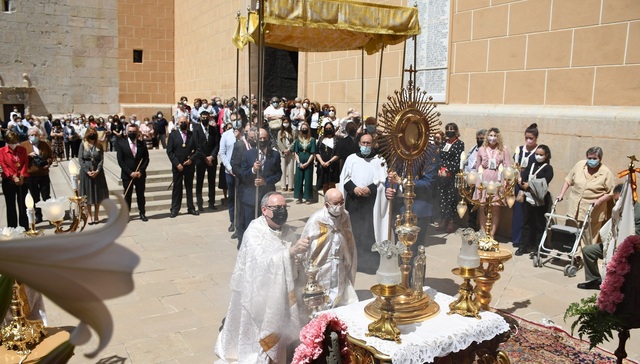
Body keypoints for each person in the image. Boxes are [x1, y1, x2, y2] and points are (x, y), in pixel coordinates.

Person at [215, 192, 310, 363]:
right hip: (258, 298)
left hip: (282, 293)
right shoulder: (254, 232)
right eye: (277, 207)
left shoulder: (288, 231)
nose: (282, 211)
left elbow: (292, 266)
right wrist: (289, 253)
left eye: (284, 207)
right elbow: (259, 266)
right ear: (264, 210)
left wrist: (298, 257)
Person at [339, 133, 390, 274]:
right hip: (354, 201)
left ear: (373, 144)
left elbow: (382, 181)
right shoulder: (351, 159)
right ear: (359, 144)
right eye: (363, 143)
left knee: (369, 232)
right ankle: (352, 263)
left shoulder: (379, 160)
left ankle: (369, 265)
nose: (366, 146)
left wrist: (370, 189)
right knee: (353, 231)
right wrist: (354, 189)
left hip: (371, 203)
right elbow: (345, 178)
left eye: (369, 143)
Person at [301, 188, 357, 308]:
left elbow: (349, 238)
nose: (340, 206)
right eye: (336, 203)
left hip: (340, 263)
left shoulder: (345, 215)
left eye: (342, 202)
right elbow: (307, 242)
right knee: (323, 297)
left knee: (340, 292)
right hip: (322, 264)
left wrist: (348, 257)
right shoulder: (317, 219)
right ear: (327, 205)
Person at [577, 184, 640, 290]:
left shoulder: (637, 212)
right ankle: (595, 280)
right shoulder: (618, 208)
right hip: (611, 244)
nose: (616, 202)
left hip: (627, 248)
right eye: (615, 200)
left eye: (618, 199)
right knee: (588, 251)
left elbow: (635, 234)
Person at [558, 146, 614, 246]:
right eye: (589, 158)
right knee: (574, 232)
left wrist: (600, 200)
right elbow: (568, 180)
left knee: (589, 235)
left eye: (594, 158)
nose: (591, 161)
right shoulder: (580, 165)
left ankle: (585, 256)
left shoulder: (605, 172)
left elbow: (611, 192)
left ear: (600, 159)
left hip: (593, 209)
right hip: (575, 207)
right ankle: (575, 255)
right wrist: (561, 194)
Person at [386, 147, 440, 250]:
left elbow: (428, 183)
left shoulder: (429, 151)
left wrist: (402, 181)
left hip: (417, 208)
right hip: (398, 207)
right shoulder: (399, 149)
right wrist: (389, 188)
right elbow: (391, 175)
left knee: (414, 251)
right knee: (399, 249)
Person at [240, 128, 282, 232]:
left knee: (267, 228)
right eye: (260, 138)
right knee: (250, 228)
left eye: (265, 138)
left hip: (267, 197)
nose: (262, 140)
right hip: (251, 198)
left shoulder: (275, 155)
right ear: (255, 139)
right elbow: (243, 175)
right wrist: (253, 170)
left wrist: (266, 181)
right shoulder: (248, 154)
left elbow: (278, 174)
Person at [473, 127, 512, 239]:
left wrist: (507, 182)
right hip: (483, 179)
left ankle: (492, 234)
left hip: (497, 180)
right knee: (482, 205)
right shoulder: (481, 149)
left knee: (495, 207)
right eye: (490, 135)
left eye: (495, 136)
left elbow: (508, 166)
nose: (492, 138)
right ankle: (483, 232)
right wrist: (476, 182)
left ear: (498, 137)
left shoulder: (503, 150)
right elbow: (477, 167)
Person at [515, 145, 553, 256]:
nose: (538, 156)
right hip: (528, 198)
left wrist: (529, 185)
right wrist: (521, 181)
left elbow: (544, 182)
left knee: (539, 224)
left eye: (541, 154)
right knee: (526, 222)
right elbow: (524, 177)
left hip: (540, 200)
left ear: (546, 156)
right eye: (537, 154)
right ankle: (523, 246)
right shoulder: (531, 165)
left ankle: (539, 248)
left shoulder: (548, 168)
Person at [166, 116, 201, 218]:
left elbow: (198, 149)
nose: (183, 124)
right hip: (178, 167)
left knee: (189, 187)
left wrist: (191, 160)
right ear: (178, 123)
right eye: (181, 122)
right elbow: (169, 151)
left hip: (189, 166)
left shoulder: (193, 135)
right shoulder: (173, 135)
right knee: (177, 188)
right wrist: (177, 164)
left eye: (184, 122)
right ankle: (175, 209)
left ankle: (191, 207)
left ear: (188, 122)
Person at [512, 123, 540, 248]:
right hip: (519, 185)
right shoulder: (520, 150)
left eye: (531, 138)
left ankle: (529, 241)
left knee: (530, 214)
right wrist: (518, 177)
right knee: (518, 212)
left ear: (536, 138)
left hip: (531, 186)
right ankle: (517, 239)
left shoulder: (538, 151)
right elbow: (516, 165)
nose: (529, 141)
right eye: (527, 138)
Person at [116, 123, 150, 222]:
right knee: (127, 195)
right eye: (130, 132)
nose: (132, 133)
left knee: (140, 195)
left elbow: (146, 159)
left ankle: (142, 212)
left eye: (134, 132)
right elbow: (120, 161)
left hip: (140, 175)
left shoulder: (142, 144)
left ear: (138, 132)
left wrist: (141, 171)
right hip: (127, 175)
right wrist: (130, 172)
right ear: (127, 132)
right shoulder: (121, 144)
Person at [78, 128, 110, 225]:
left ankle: (96, 215)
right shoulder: (83, 145)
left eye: (93, 133)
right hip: (86, 173)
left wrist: (97, 170)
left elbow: (101, 159)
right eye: (90, 133)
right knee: (88, 194)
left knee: (97, 193)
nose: (92, 135)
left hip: (97, 172)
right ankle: (89, 216)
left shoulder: (99, 145)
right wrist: (87, 171)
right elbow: (80, 159)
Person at [21, 127, 53, 224]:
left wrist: (48, 162)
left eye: (36, 135)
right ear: (28, 136)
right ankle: (38, 215)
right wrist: (28, 155)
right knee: (35, 196)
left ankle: (50, 215)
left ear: (39, 136)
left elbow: (50, 156)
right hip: (31, 175)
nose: (34, 137)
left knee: (46, 196)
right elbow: (20, 159)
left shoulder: (44, 144)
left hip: (43, 174)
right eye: (32, 135)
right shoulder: (23, 145)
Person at [437, 123, 465, 233]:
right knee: (442, 198)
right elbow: (440, 157)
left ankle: (451, 221)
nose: (449, 131)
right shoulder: (444, 143)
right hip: (441, 174)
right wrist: (440, 169)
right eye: (447, 129)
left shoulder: (459, 144)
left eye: (452, 130)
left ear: (456, 131)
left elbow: (458, 160)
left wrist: (448, 170)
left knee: (451, 199)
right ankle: (443, 219)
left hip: (452, 175)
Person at [0, 131, 30, 229]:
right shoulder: (2, 151)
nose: (13, 144)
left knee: (22, 204)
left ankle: (24, 226)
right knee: (11, 205)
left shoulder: (22, 149)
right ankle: (12, 227)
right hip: (8, 180)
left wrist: (21, 175)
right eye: (11, 142)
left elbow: (25, 162)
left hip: (22, 180)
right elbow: (4, 166)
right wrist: (13, 176)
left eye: (15, 142)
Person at [193, 110, 220, 211]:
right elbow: (197, 146)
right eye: (203, 118)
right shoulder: (196, 129)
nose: (205, 119)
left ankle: (211, 202)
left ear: (209, 118)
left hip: (212, 159)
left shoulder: (214, 129)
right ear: (200, 118)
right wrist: (205, 157)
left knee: (212, 182)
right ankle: (199, 203)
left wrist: (212, 156)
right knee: (199, 182)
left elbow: (217, 144)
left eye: (206, 118)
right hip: (200, 160)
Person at [219, 123, 241, 232]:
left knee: (241, 198)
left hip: (241, 172)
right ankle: (233, 221)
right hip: (230, 171)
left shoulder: (244, 135)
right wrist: (229, 167)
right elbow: (222, 153)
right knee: (231, 198)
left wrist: (240, 138)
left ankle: (241, 221)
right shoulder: (226, 135)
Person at [464, 129, 486, 230]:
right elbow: (467, 161)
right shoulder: (474, 148)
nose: (479, 140)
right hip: (470, 179)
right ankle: (471, 225)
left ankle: (482, 227)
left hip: (480, 180)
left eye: (482, 138)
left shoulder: (486, 151)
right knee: (470, 203)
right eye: (478, 138)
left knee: (479, 203)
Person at [293, 122, 316, 204]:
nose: (304, 130)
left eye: (305, 128)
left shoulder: (312, 140)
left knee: (308, 179)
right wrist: (299, 163)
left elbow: (313, 153)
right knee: (298, 179)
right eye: (303, 128)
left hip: (308, 161)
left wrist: (307, 163)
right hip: (299, 161)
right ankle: (299, 197)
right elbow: (295, 152)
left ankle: (307, 197)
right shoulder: (297, 140)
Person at [315, 122, 340, 194]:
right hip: (322, 165)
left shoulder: (336, 139)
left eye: (330, 128)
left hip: (332, 166)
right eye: (326, 128)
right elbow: (317, 152)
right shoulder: (321, 139)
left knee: (331, 184)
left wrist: (329, 162)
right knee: (323, 184)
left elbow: (338, 154)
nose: (328, 130)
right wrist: (322, 162)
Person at [277, 118, 295, 192]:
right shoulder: (280, 132)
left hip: (290, 153)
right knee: (283, 169)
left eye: (287, 122)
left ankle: (290, 185)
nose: (286, 124)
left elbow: (294, 141)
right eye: (284, 122)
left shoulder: (293, 132)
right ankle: (283, 185)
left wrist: (289, 149)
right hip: (282, 153)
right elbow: (279, 142)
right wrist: (283, 150)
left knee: (290, 169)